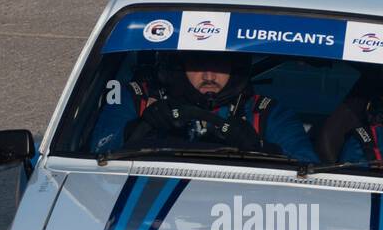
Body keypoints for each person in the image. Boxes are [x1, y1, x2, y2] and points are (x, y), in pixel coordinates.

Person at [91, 52, 317, 163]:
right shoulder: (136, 98)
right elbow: (94, 157)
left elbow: (309, 172)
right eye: (198, 62)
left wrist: (259, 146)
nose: (209, 76)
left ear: (235, 67)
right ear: (180, 65)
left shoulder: (266, 113)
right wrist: (139, 127)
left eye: (219, 63)